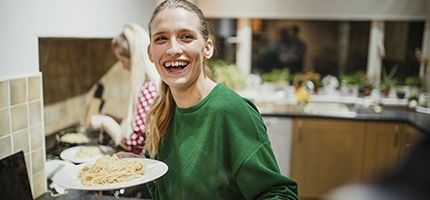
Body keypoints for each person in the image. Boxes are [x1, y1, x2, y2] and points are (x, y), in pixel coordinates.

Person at [143, 0, 299, 199]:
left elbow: (280, 195)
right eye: (161, 38)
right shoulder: (162, 112)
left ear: (207, 48)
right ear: (150, 53)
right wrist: (139, 168)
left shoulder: (231, 111)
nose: (173, 49)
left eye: (186, 37)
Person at [89, 23, 160, 155]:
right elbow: (145, 128)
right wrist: (117, 120)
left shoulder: (148, 89)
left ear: (134, 59)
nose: (123, 66)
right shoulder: (154, 84)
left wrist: (106, 122)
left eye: (122, 60)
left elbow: (135, 143)